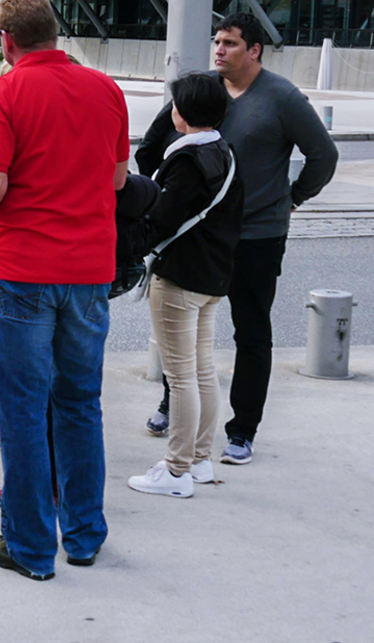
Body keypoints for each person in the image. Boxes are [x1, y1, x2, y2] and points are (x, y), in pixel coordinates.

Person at [0, 0, 129, 581]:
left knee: (23, 411)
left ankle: (30, 547)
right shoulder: (105, 89)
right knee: (81, 404)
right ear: (55, 33)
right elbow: (116, 181)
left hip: (22, 271)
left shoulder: (2, 94)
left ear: (7, 41)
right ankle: (84, 535)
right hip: (88, 273)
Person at [136, 11, 337, 464]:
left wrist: (292, 199)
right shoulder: (201, 91)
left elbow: (323, 155)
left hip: (257, 235)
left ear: (254, 50)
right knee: (183, 328)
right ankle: (174, 406)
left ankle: (243, 429)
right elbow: (149, 147)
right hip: (199, 235)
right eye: (217, 41)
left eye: (229, 42)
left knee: (251, 330)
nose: (219, 50)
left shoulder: (281, 97)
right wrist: (160, 198)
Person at [126, 73, 243, 498]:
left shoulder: (187, 159)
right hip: (212, 274)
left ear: (183, 113)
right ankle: (200, 460)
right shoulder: (222, 151)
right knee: (201, 369)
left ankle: (176, 471)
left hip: (180, 275)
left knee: (180, 376)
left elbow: (163, 217)